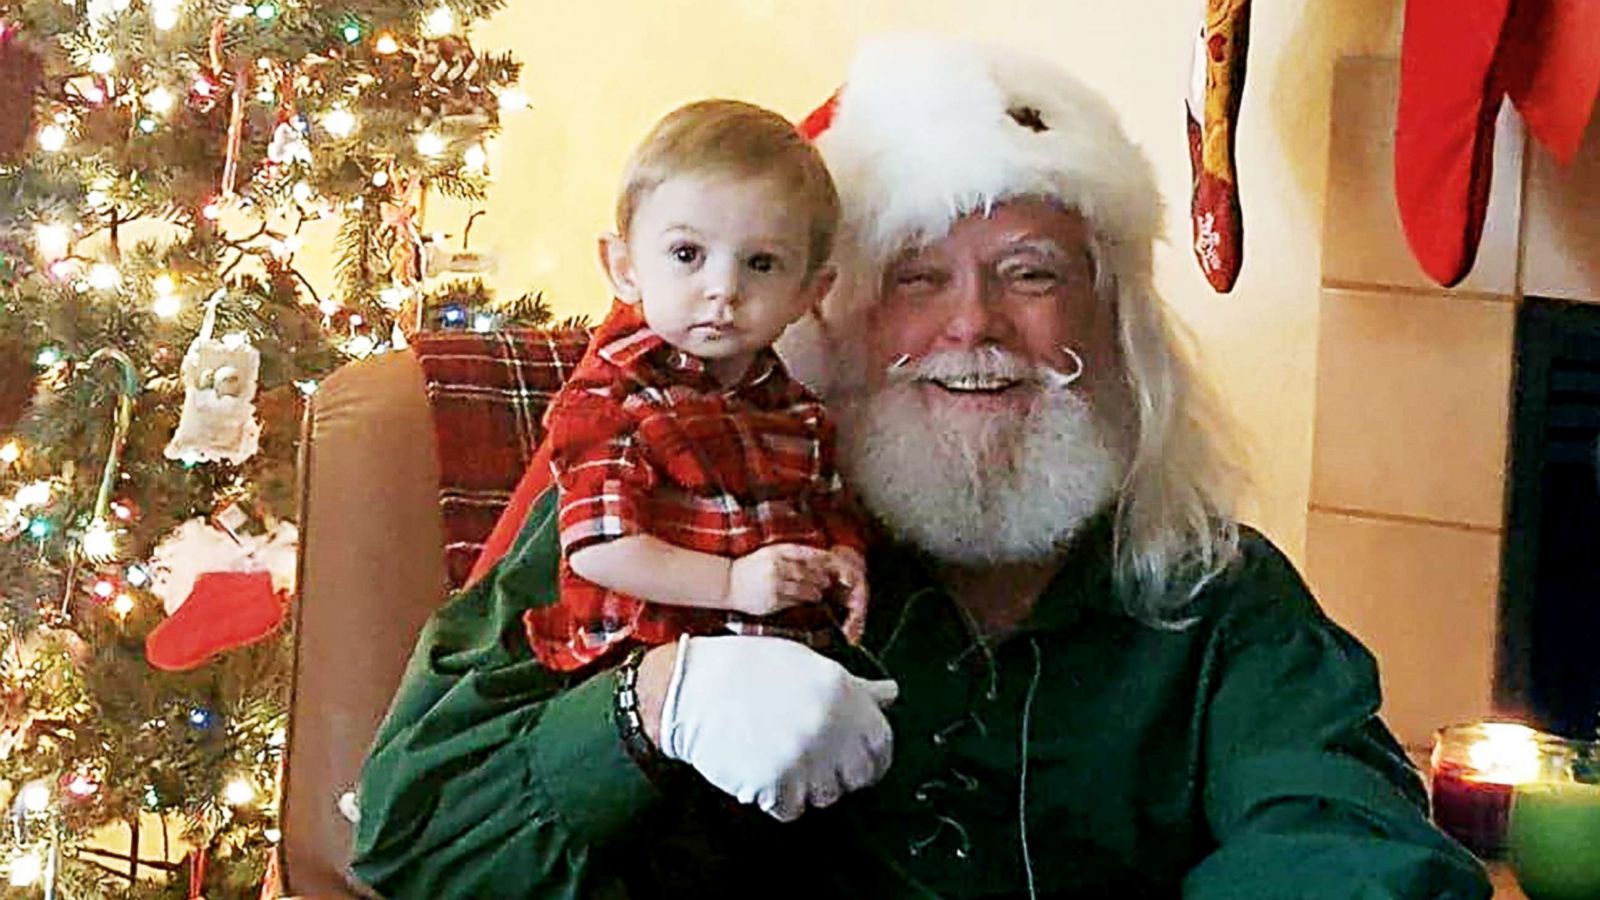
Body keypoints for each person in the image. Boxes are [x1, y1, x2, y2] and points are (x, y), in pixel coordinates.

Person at [351, 35, 1492, 899]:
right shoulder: (668, 508)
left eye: (1033, 275)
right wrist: (651, 705)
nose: (974, 327)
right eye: (917, 279)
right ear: (830, 318)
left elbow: (1357, 845)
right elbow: (408, 839)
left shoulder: (1216, 594)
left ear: (1117, 327)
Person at [524, 99, 868, 673]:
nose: (723, 290)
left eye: (761, 264)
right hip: (647, 660)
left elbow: (826, 509)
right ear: (624, 268)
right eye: (688, 254)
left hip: (777, 658)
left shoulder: (800, 413)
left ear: (810, 291)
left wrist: (844, 558)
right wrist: (732, 583)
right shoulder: (612, 401)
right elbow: (601, 551)